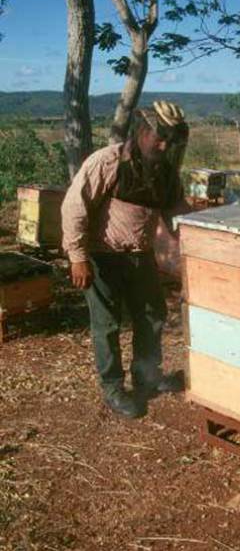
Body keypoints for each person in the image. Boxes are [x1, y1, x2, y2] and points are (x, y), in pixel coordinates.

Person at [61, 101, 189, 418]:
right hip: (102, 257)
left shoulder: (165, 172)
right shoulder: (106, 162)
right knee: (107, 325)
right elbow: (73, 208)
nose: (163, 145)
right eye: (159, 137)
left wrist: (210, 233)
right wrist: (77, 257)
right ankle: (113, 387)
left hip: (140, 256)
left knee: (152, 316)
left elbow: (177, 212)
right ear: (142, 131)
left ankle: (148, 375)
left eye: (169, 140)